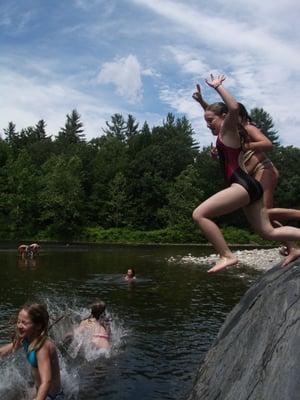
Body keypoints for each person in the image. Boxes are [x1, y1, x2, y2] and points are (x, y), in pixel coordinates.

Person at [192, 74, 300, 273]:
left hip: (242, 184)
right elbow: (215, 113)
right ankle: (295, 246)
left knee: (199, 214)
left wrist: (218, 87)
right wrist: (202, 102)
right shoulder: (226, 134)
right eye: (206, 122)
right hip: (250, 184)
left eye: (210, 121)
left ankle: (227, 255)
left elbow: (230, 109)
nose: (208, 125)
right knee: (267, 231)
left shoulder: (228, 129)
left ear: (224, 119)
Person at [0, 303, 64, 400]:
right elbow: (7, 349)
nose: (19, 326)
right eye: (18, 321)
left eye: (24, 323)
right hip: (38, 390)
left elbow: (46, 381)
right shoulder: (26, 339)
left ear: (38, 326)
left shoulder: (42, 348)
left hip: (51, 396)